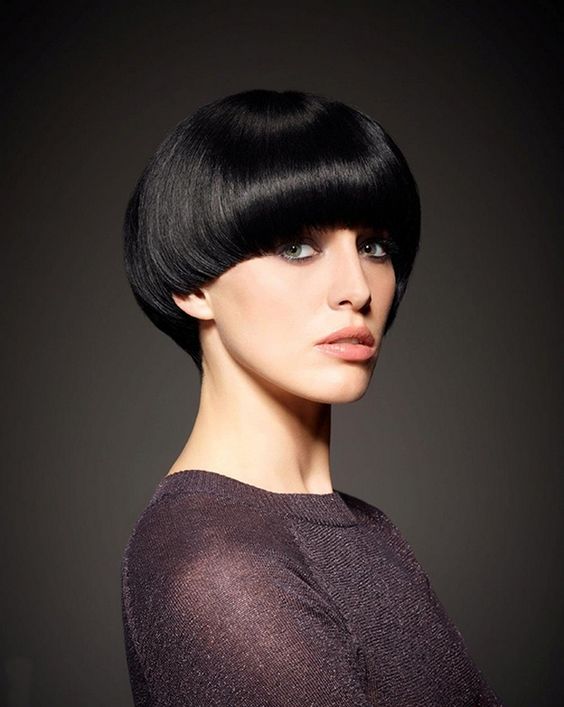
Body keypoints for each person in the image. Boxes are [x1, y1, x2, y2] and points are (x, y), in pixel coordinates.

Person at [120, 89, 504, 706]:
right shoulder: (217, 565)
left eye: (374, 246)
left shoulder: (357, 527)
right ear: (193, 286)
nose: (358, 289)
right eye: (296, 248)